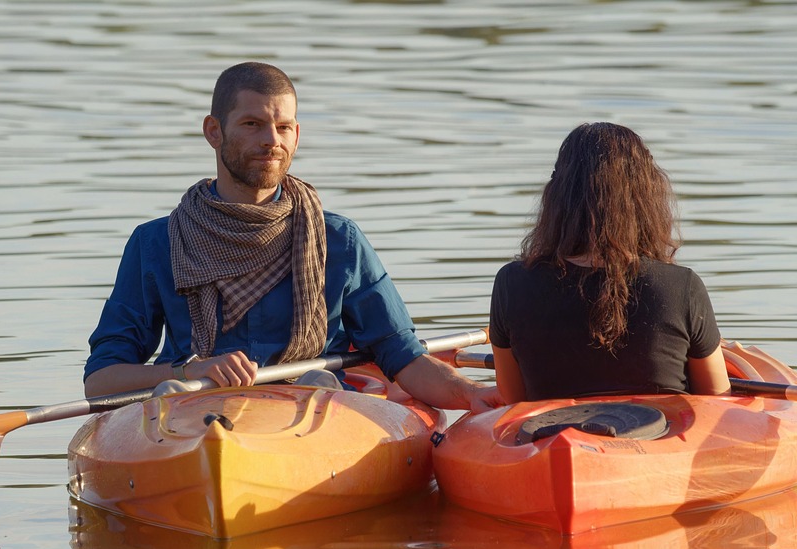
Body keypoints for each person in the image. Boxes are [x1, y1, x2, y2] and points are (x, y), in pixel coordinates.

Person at [84, 62, 499, 412]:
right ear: (213, 131)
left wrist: (472, 394)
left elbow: (401, 354)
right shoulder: (156, 242)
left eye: (283, 127)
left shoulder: (340, 240)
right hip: (194, 413)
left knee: (320, 379)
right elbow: (101, 380)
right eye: (252, 124)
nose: (271, 141)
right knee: (170, 394)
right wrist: (187, 371)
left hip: (315, 412)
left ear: (296, 135)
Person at [489, 122, 731, 403]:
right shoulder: (681, 287)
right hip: (660, 441)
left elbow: (513, 399)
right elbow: (717, 400)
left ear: (556, 196)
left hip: (549, 439)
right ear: (647, 197)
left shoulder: (512, 283)